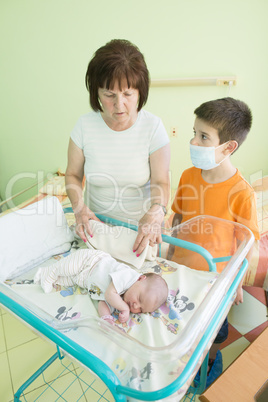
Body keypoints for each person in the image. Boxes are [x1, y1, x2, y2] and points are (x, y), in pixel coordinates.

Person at [168, 97, 260, 386]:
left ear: (228, 147)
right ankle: (186, 361)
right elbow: (178, 217)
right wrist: (168, 256)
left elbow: (247, 246)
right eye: (194, 133)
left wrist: (237, 283)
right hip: (181, 272)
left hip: (215, 281)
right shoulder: (188, 176)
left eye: (204, 136)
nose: (194, 142)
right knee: (182, 326)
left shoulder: (242, 193)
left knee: (214, 334)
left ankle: (211, 361)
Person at [65, 39, 170, 257]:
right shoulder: (84, 126)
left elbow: (161, 182)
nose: (119, 105)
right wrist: (78, 208)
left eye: (128, 94)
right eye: (109, 95)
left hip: (138, 236)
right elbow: (73, 174)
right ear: (96, 93)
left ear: (140, 92)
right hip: (96, 232)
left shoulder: (153, 127)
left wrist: (157, 211)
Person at [34, 249, 168, 325]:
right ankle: (49, 272)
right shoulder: (129, 277)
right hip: (90, 261)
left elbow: (103, 301)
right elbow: (110, 294)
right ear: (140, 278)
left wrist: (107, 318)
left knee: (65, 280)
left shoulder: (122, 298)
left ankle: (45, 275)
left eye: (141, 309)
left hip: (85, 279)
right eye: (139, 298)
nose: (135, 306)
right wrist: (124, 308)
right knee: (67, 267)